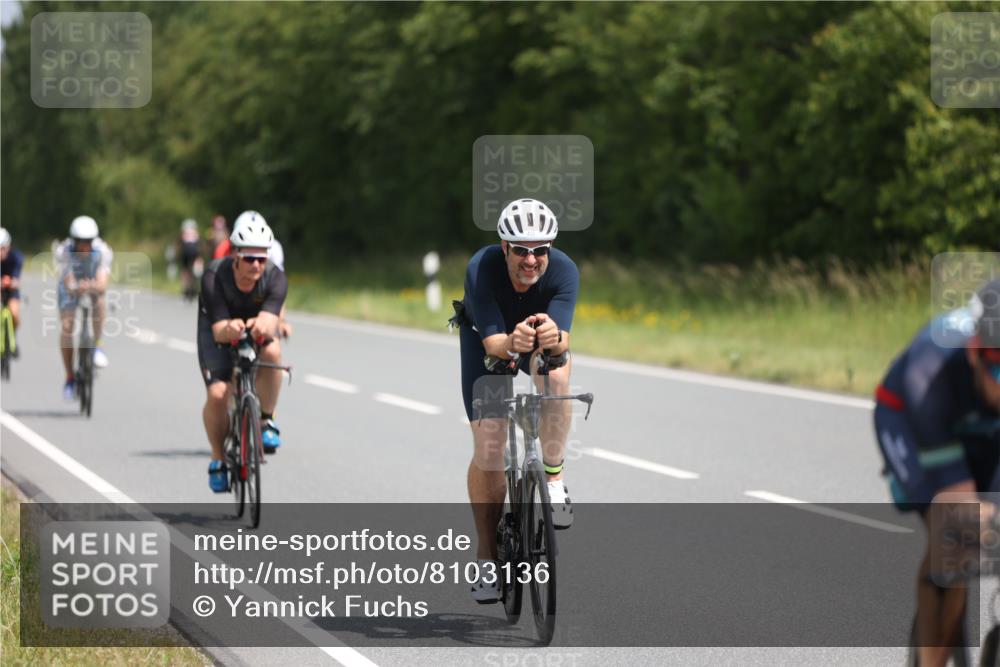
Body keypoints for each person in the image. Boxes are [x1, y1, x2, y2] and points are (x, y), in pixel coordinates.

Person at [454, 198, 579, 603]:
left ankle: (554, 479)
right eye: (521, 250)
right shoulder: (483, 267)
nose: (531, 260)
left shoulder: (564, 271)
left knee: (558, 373)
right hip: (486, 345)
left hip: (533, 342)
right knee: (490, 446)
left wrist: (552, 337)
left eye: (540, 250)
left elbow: (564, 340)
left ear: (551, 248)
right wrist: (513, 341)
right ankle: (487, 558)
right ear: (504, 247)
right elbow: (494, 346)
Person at [875, 279, 1000, 667]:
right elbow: (961, 503)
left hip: (988, 429)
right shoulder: (929, 367)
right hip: (912, 423)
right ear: (975, 352)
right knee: (959, 541)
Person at [197, 210, 287, 492]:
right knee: (218, 394)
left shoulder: (275, 277)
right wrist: (231, 329)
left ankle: (266, 420)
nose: (256, 265)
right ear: (235, 255)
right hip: (218, 329)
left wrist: (263, 324)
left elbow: (271, 322)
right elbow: (219, 329)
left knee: (272, 354)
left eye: (262, 258)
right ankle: (218, 458)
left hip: (252, 325)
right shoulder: (214, 276)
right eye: (249, 258)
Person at [55, 216, 113, 399]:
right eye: (81, 242)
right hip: (71, 287)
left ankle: (98, 345)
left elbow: (102, 283)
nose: (85, 246)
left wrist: (91, 286)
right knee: (67, 327)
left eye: (89, 241)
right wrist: (75, 287)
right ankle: (70, 377)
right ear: (73, 240)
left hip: (91, 282)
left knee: (100, 301)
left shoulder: (103, 250)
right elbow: (68, 281)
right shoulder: (63, 251)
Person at [0, 227, 24, 339]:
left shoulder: (16, 257)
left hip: (11, 290)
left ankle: (11, 335)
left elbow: (16, 278)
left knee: (14, 314)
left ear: (8, 246)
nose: (0, 252)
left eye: (2, 248)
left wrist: (13, 282)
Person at [178, 219, 203, 300]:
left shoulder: (184, 232)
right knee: (194, 271)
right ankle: (193, 288)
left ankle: (186, 289)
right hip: (194, 252)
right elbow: (199, 243)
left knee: (185, 270)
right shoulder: (195, 232)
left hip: (185, 252)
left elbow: (180, 244)